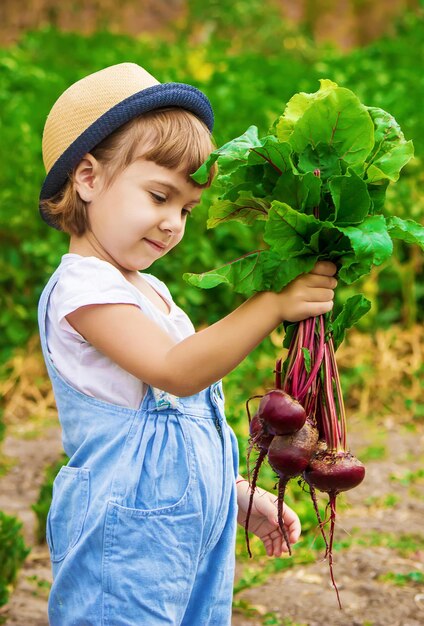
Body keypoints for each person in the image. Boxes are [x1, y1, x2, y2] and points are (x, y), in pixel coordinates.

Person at [37, 62, 337, 626]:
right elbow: (176, 372)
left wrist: (233, 495)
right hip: (121, 538)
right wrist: (270, 304)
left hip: (188, 535)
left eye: (186, 210)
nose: (173, 223)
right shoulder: (81, 287)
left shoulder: (149, 290)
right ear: (88, 177)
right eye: (158, 196)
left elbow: (182, 418)